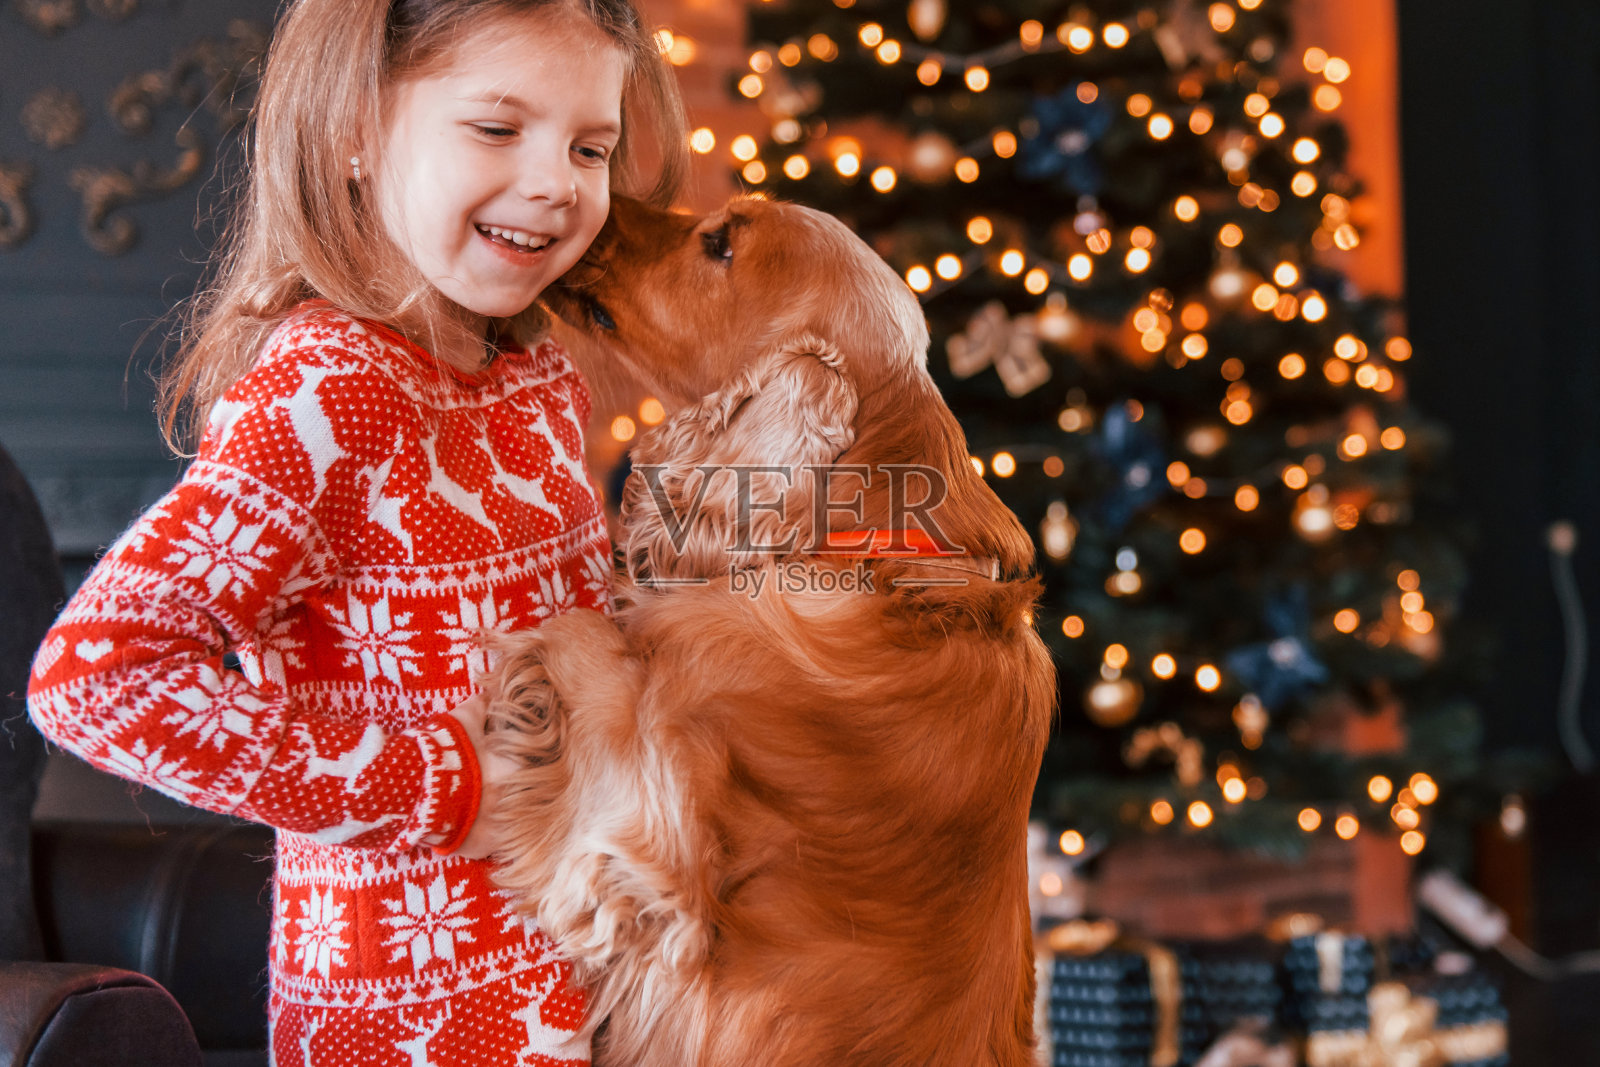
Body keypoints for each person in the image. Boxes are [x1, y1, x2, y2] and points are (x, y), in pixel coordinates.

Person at [26, 0, 686, 1062]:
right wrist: (442, 782)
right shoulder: (330, 391)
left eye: (589, 146)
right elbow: (98, 677)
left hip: (590, 978)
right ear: (355, 133)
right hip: (415, 1012)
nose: (558, 180)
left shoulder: (536, 378)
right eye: (496, 127)